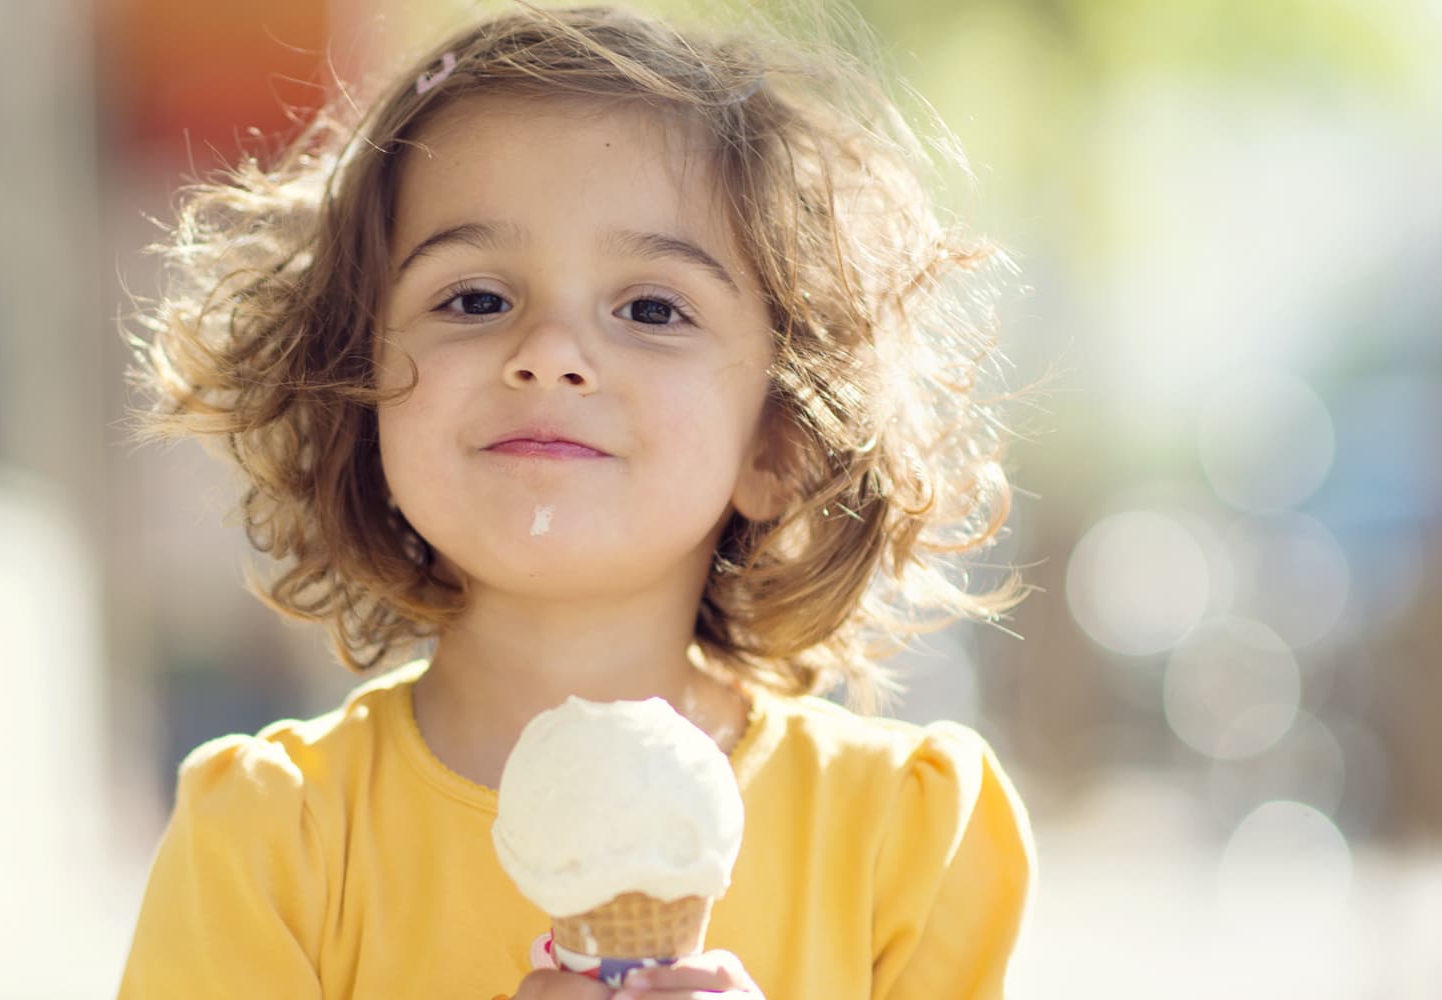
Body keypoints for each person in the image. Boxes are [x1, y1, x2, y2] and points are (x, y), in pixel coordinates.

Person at [119, 3, 1036, 997]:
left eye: (650, 308)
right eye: (474, 299)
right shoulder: (270, 840)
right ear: (357, 391)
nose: (549, 353)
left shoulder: (901, 837)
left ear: (775, 440)